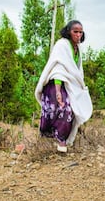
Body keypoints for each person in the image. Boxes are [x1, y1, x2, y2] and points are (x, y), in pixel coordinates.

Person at [35, 20, 93, 153]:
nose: (78, 35)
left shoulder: (78, 49)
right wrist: (58, 91)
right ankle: (56, 141)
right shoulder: (62, 45)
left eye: (80, 32)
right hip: (55, 83)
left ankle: (62, 141)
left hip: (68, 84)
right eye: (75, 32)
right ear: (68, 32)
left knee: (71, 110)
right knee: (61, 109)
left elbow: (76, 70)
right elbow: (58, 68)